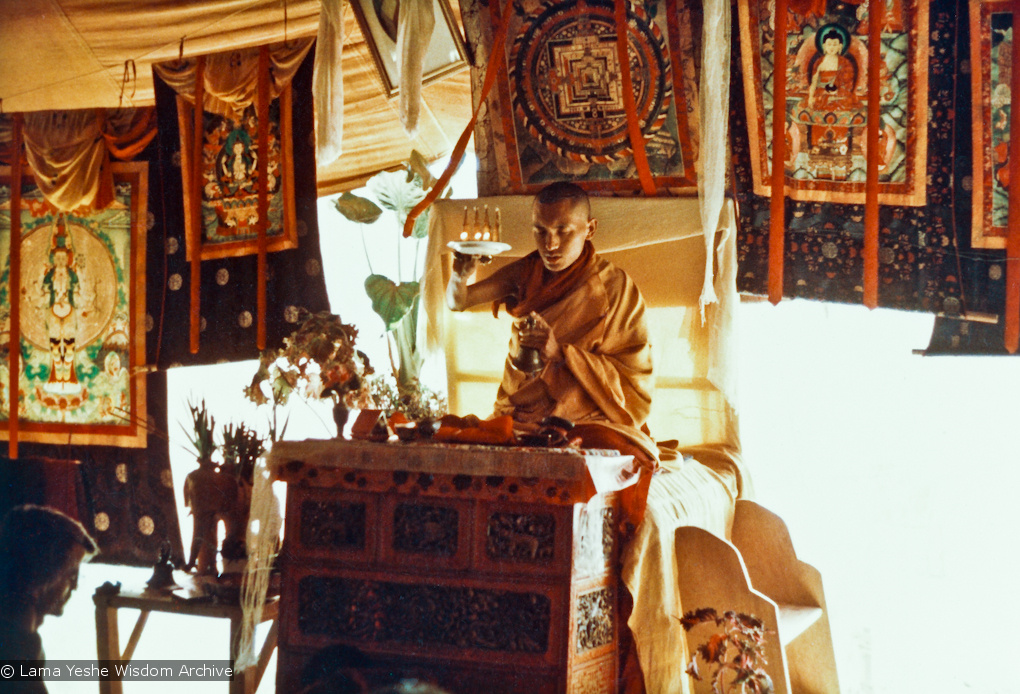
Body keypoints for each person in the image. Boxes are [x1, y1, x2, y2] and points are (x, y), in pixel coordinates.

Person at [446, 182, 658, 520]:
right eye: (540, 231)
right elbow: (459, 302)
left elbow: (635, 385)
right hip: (519, 412)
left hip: (583, 420)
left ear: (590, 229)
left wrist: (560, 352)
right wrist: (460, 276)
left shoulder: (616, 289)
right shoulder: (527, 270)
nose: (551, 244)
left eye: (563, 231)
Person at [0, 504, 98, 693]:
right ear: (43, 573)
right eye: (71, 574)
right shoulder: (13, 648)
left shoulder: (22, 639)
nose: (75, 586)